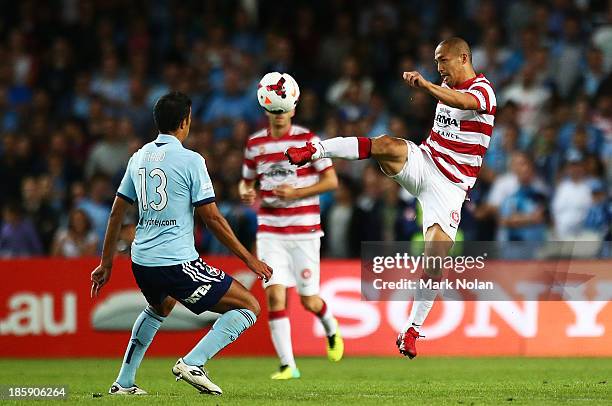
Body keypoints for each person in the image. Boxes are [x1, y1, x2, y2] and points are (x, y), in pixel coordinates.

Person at [286, 37, 497, 359]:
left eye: (444, 61)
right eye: (436, 61)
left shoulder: (483, 91)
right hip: (425, 161)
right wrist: (430, 87)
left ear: (464, 57)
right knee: (384, 144)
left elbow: (463, 103)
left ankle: (412, 330)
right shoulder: (445, 85)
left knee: (436, 258)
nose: (440, 68)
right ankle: (313, 150)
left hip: (452, 187)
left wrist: (426, 85)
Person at [90, 91, 272, 396]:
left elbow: (116, 212)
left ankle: (124, 382)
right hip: (176, 262)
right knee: (249, 306)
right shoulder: (191, 160)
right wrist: (248, 259)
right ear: (185, 122)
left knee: (160, 307)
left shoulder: (139, 157)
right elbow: (212, 218)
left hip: (142, 261)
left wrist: (106, 263)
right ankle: (193, 362)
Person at [238, 73, 343, 380]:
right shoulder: (255, 144)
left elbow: (331, 180)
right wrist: (246, 192)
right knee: (274, 295)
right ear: (266, 110)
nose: (279, 116)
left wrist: (297, 192)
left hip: (305, 230)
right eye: (274, 111)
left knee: (309, 300)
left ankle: (331, 327)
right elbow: (245, 183)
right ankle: (288, 365)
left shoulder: (308, 140)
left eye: (283, 111)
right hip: (271, 230)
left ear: (293, 109)